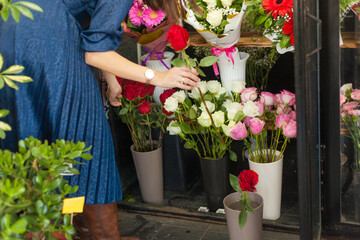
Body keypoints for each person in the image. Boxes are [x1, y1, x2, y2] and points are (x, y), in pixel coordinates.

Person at [0, 0, 197, 239]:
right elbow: (95, 53)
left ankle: (80, 230)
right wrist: (159, 77)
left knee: (35, 138)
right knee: (83, 142)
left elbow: (91, 30)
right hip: (51, 41)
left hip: (13, 31)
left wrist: (111, 80)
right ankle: (100, 235)